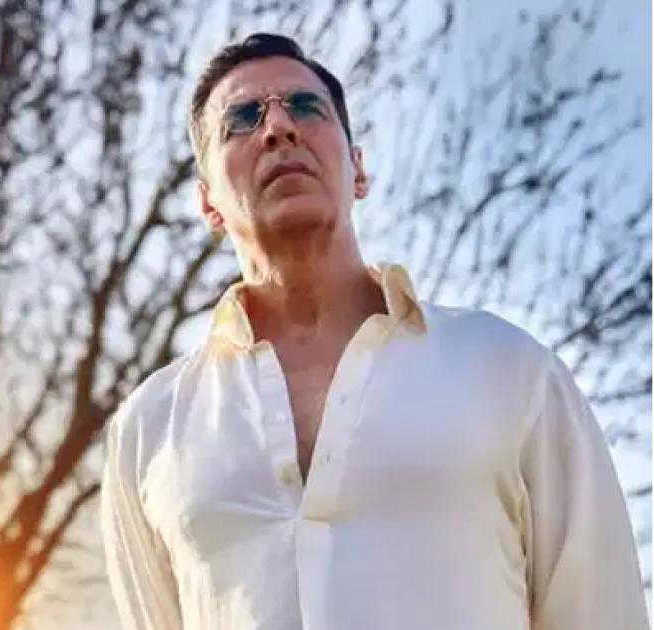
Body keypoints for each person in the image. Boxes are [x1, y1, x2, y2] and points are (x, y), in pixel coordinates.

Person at [98, 32, 648, 630]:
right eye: (242, 119)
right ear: (208, 203)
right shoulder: (149, 430)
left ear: (357, 169)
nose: (278, 128)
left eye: (305, 106)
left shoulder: (508, 368)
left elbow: (602, 612)